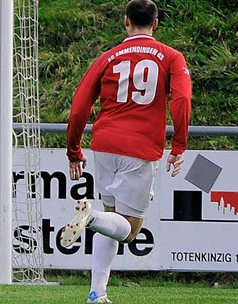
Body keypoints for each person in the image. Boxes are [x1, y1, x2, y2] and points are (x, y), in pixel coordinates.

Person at [62, 0, 191, 302]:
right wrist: (179, 145)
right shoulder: (171, 57)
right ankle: (90, 217)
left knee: (113, 219)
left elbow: (80, 105)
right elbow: (182, 99)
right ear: (156, 24)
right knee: (129, 230)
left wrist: (74, 150)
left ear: (126, 22)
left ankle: (97, 292)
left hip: (104, 145)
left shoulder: (108, 57)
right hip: (140, 148)